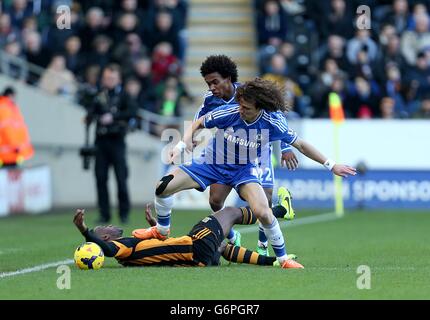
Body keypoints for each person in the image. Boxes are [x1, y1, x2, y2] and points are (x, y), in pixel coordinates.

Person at [137, 78, 357, 268]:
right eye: (240, 106)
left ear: (260, 107)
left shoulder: (272, 122)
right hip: (211, 162)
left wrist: (331, 165)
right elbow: (198, 122)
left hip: (243, 170)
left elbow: (301, 144)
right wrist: (182, 146)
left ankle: (283, 259)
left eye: (246, 108)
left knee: (263, 211)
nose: (241, 110)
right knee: (163, 186)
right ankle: (162, 230)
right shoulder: (231, 111)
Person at [193, 55, 299, 255]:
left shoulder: (248, 95)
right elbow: (198, 119)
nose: (212, 88)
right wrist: (192, 137)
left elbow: (277, 117)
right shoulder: (210, 99)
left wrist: (285, 148)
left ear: (228, 79)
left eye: (214, 82)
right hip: (228, 153)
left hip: (258, 151)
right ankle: (233, 236)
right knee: (215, 200)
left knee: (264, 201)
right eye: (208, 84)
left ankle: (263, 247)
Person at [73, 204, 300, 268]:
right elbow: (110, 251)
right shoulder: (119, 248)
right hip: (194, 247)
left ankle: (276, 261)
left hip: (198, 260)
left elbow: (155, 249)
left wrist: (155, 228)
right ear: (104, 239)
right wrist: (84, 230)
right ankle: (281, 210)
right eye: (105, 228)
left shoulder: (130, 251)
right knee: (229, 212)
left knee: (221, 247)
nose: (110, 225)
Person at [86, 64, 138, 224]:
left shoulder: (124, 95)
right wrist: (91, 116)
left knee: (121, 179)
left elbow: (132, 111)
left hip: (117, 142)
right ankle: (104, 214)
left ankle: (124, 214)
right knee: (100, 179)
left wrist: (113, 116)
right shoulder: (99, 94)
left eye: (112, 78)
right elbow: (91, 112)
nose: (109, 81)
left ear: (119, 79)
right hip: (101, 142)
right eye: (107, 78)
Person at [0, 86, 34, 168]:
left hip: (13, 153)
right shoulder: (5, 108)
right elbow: (7, 129)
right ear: (10, 95)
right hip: (8, 153)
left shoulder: (11, 108)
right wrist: (15, 145)